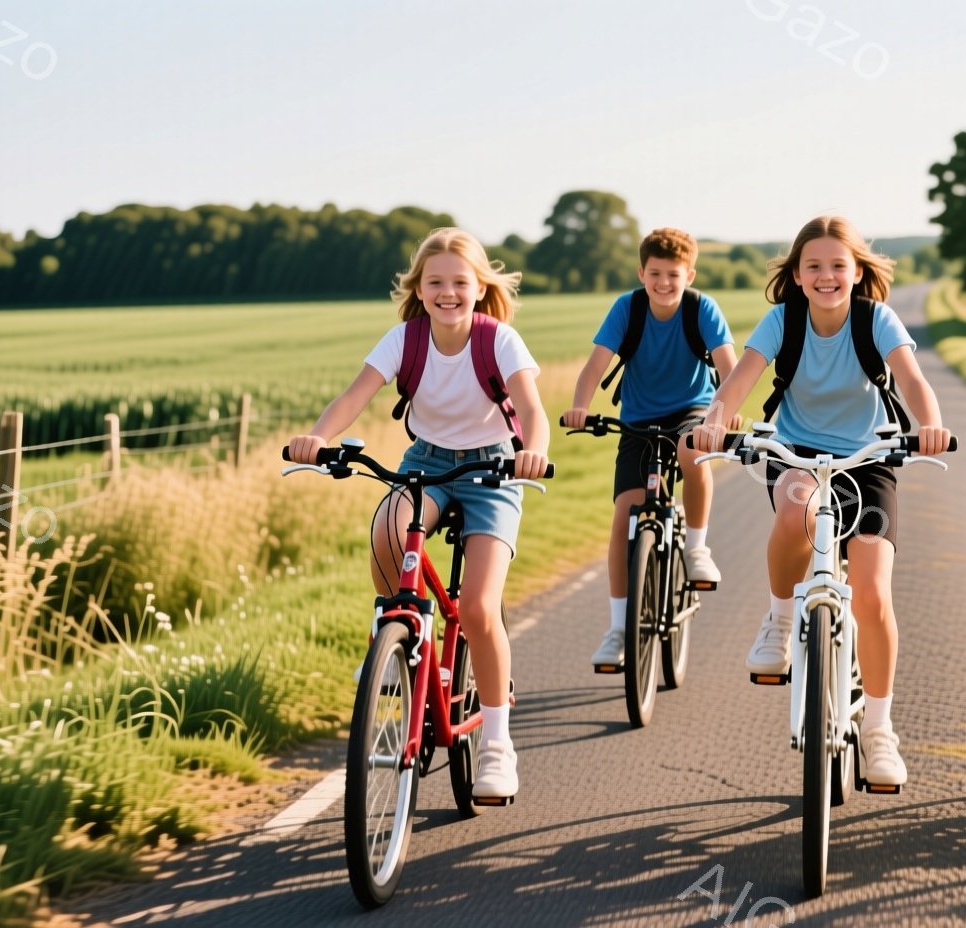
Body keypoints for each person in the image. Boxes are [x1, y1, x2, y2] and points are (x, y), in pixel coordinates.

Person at [288, 227, 550, 802]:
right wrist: (316, 438)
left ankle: (497, 748)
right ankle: (393, 634)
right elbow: (355, 396)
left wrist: (534, 452)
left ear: (480, 288)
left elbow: (531, 408)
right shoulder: (404, 339)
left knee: (480, 607)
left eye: (460, 282)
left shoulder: (499, 340)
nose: (448, 292)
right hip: (425, 462)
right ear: (419, 288)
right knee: (387, 529)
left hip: (493, 471)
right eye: (436, 282)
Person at [693, 215, 951, 789]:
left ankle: (880, 733)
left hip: (870, 456)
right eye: (814, 266)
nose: (827, 275)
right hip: (796, 452)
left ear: (858, 273)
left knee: (874, 590)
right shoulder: (783, 320)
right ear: (797, 274)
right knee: (796, 513)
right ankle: (780, 621)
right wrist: (715, 423)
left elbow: (911, 379)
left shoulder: (875, 319)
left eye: (838, 265)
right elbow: (740, 382)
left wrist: (929, 425)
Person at [562, 227, 738, 669]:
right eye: (655, 273)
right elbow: (595, 364)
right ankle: (619, 629)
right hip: (638, 419)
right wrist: (580, 407)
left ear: (689, 274)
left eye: (673, 275)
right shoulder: (628, 309)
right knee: (625, 515)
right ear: (641, 272)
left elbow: (729, 371)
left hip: (693, 410)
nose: (663, 283)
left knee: (690, 449)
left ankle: (696, 548)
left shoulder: (702, 309)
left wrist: (724, 415)